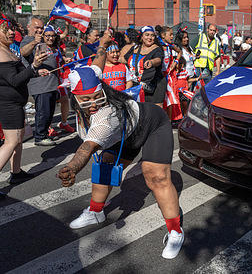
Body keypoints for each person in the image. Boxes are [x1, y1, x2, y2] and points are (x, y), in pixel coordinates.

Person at [56, 31, 184, 259]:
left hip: (151, 123)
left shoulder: (105, 116)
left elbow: (86, 149)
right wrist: (103, 44)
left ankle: (175, 230)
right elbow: (97, 61)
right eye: (86, 100)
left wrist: (72, 168)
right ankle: (96, 212)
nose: (93, 103)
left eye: (97, 95)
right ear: (74, 96)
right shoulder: (91, 75)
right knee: (105, 167)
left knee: (155, 176)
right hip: (124, 132)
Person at [0, 13, 49, 184]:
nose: (11, 33)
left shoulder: (9, 50)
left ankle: (16, 172)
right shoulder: (0, 53)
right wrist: (34, 66)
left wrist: (35, 71)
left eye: (12, 29)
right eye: (6, 30)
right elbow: (14, 80)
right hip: (8, 105)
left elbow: (21, 73)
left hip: (16, 103)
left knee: (18, 140)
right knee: (11, 142)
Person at [20, 17, 60, 146]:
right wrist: (34, 42)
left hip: (50, 84)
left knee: (49, 112)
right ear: (28, 27)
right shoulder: (28, 41)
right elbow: (23, 52)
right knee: (43, 112)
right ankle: (39, 136)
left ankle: (44, 133)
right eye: (36, 27)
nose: (39, 30)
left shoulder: (42, 41)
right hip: (40, 84)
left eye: (41, 28)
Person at [120, 26, 166, 108]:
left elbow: (158, 60)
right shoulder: (135, 47)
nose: (150, 38)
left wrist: (152, 62)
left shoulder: (157, 49)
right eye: (147, 35)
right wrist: (109, 57)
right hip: (137, 84)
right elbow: (125, 59)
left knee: (155, 109)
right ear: (141, 36)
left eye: (152, 35)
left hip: (153, 84)